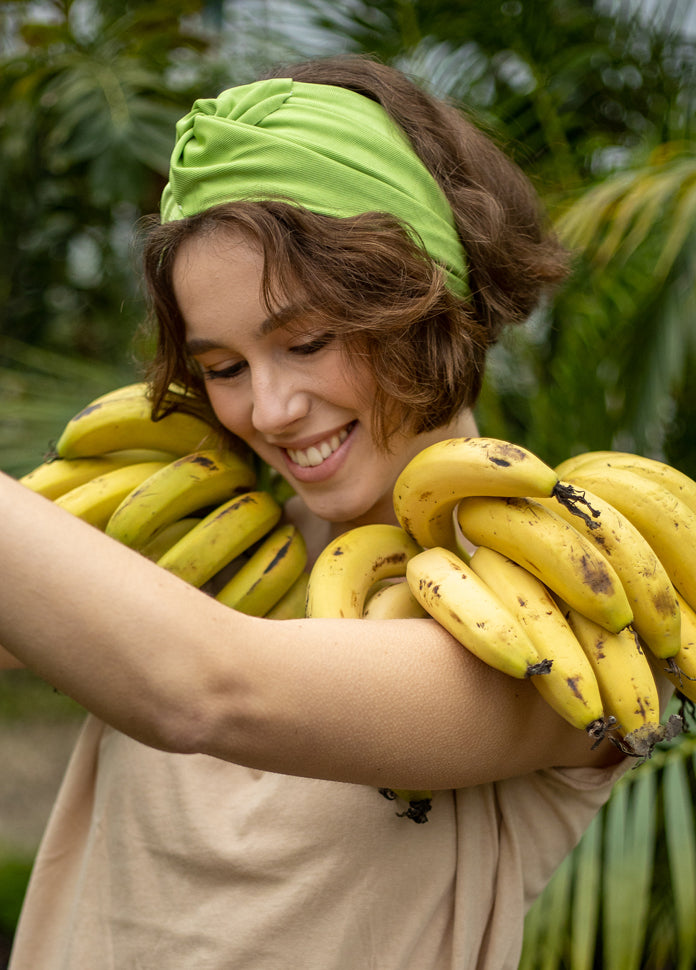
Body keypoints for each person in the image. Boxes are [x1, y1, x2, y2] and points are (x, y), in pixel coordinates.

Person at [1, 54, 648, 970]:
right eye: (222, 367)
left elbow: (211, 691)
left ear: (428, 296)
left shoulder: (564, 605)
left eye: (306, 341)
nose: (268, 410)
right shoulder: (190, 530)